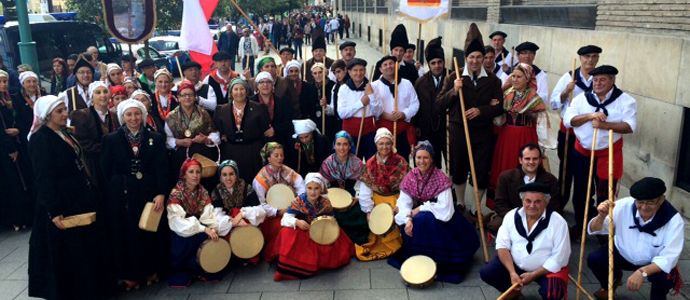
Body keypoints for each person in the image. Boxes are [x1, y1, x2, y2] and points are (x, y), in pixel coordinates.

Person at [28, 95, 110, 299]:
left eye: (65, 109)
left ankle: (91, 287)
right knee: (69, 249)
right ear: (47, 115)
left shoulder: (63, 132)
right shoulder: (41, 139)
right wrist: (54, 210)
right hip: (62, 199)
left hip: (79, 195)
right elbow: (43, 177)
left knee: (86, 245)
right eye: (59, 111)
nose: (65, 114)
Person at [389, 141, 479, 283]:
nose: (421, 161)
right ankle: (419, 257)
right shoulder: (410, 177)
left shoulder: (440, 178)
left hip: (443, 220)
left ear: (432, 159)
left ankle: (437, 259)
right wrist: (408, 220)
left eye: (425, 157)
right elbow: (403, 203)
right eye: (418, 158)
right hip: (418, 218)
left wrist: (420, 209)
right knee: (417, 221)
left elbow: (446, 209)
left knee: (424, 219)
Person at [436, 24, 503, 214]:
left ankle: (475, 207)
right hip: (458, 130)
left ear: (484, 59)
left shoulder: (492, 80)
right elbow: (440, 103)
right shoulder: (453, 78)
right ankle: (460, 203)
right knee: (458, 167)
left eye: (479, 57)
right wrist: (454, 91)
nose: (475, 61)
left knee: (481, 170)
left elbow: (499, 106)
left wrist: (482, 110)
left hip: (482, 132)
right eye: (471, 57)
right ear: (465, 58)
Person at [101, 99, 168, 290]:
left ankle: (151, 270)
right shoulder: (111, 139)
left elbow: (162, 167)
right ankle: (129, 275)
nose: (133, 118)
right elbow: (106, 170)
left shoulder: (155, 137)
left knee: (149, 231)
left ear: (143, 115)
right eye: (129, 114)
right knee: (125, 234)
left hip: (148, 192)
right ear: (122, 116)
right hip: (122, 193)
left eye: (137, 114)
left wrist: (161, 192)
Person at [564, 64, 637, 238]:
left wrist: (605, 125)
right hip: (582, 152)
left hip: (608, 154)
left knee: (606, 195)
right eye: (595, 80)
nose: (597, 83)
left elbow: (629, 126)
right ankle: (582, 224)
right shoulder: (582, 99)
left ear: (612, 80)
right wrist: (590, 116)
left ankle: (603, 231)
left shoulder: (625, 100)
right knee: (581, 191)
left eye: (602, 79)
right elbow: (569, 121)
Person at [586, 177, 684, 300]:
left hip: (652, 261)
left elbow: (669, 257)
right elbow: (595, 229)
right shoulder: (624, 205)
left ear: (661, 200)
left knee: (665, 277)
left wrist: (642, 272)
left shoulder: (674, 221)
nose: (644, 207)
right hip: (622, 252)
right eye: (640, 202)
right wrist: (601, 216)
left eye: (650, 202)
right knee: (594, 259)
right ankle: (611, 283)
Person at [480, 182, 571, 300]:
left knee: (554, 292)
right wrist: (512, 273)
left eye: (537, 202)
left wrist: (533, 275)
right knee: (487, 272)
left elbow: (560, 258)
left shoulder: (559, 222)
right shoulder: (511, 216)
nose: (532, 206)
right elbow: (502, 246)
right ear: (522, 200)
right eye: (528, 201)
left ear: (546, 202)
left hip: (544, 269)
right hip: (516, 265)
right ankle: (513, 292)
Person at [489, 63, 555, 214]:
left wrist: (542, 145)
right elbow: (498, 119)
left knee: (524, 167)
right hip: (506, 138)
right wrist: (494, 106)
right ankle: (502, 206)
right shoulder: (507, 95)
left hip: (526, 137)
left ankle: (526, 204)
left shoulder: (534, 98)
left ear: (527, 79)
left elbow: (541, 124)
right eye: (513, 76)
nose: (515, 79)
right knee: (505, 167)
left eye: (519, 77)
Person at [268, 172, 354, 280]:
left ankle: (314, 262)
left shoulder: (325, 202)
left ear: (321, 188)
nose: (312, 192)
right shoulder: (299, 201)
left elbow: (332, 221)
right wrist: (296, 222)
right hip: (303, 230)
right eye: (309, 188)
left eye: (316, 188)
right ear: (305, 188)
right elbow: (285, 219)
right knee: (286, 233)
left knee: (332, 244)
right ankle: (295, 265)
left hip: (320, 230)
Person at [550, 45, 601, 215]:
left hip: (588, 135)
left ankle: (583, 212)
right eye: (587, 56)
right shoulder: (568, 76)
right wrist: (566, 91)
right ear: (580, 58)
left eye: (594, 56)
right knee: (566, 171)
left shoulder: (599, 80)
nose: (591, 60)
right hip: (569, 134)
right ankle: (559, 207)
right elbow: (554, 104)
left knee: (585, 176)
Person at [356, 128, 409, 261]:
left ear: (392, 144)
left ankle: (396, 243)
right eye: (381, 143)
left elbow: (407, 188)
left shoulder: (401, 162)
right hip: (377, 200)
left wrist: (399, 206)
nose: (385, 147)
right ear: (376, 145)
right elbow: (365, 188)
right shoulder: (370, 164)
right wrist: (368, 210)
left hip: (396, 199)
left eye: (387, 143)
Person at [167, 159, 221, 287]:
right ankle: (184, 271)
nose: (195, 175)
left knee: (208, 238)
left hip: (199, 227)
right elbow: (176, 222)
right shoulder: (177, 193)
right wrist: (201, 228)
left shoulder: (202, 191)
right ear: (184, 174)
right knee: (185, 241)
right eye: (191, 172)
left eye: (198, 172)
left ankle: (201, 269)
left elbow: (208, 214)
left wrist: (211, 228)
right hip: (182, 230)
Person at [489, 143, 559, 236]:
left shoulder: (550, 179)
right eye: (527, 159)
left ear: (539, 161)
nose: (531, 162)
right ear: (520, 160)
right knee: (495, 226)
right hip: (514, 216)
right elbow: (500, 204)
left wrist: (535, 218)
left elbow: (555, 206)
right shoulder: (506, 177)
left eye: (535, 159)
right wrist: (519, 217)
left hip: (540, 217)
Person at [253, 142, 306, 261]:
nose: (280, 158)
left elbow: (300, 183)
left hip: (289, 209)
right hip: (271, 216)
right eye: (276, 155)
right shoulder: (261, 178)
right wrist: (277, 211)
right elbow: (260, 204)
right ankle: (284, 255)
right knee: (287, 229)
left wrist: (296, 201)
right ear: (268, 157)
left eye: (281, 155)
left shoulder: (286, 171)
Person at [165, 81, 220, 191]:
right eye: (184, 95)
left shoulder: (203, 113)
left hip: (203, 156)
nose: (187, 98)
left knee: (205, 185)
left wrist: (206, 139)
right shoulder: (171, 117)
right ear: (178, 98)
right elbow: (167, 139)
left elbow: (215, 133)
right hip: (181, 157)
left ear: (195, 97)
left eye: (190, 95)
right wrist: (180, 142)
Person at [215, 78, 271, 184]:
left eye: (242, 89)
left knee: (253, 181)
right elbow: (218, 128)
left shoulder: (258, 108)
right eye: (235, 89)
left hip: (253, 152)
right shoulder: (222, 110)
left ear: (246, 91)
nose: (239, 92)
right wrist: (223, 135)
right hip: (231, 151)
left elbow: (266, 131)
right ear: (231, 92)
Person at [319, 130, 368, 245]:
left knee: (359, 213)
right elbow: (323, 184)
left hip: (352, 194)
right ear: (334, 146)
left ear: (350, 146)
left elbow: (361, 182)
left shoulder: (357, 163)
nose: (342, 148)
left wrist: (358, 197)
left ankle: (356, 241)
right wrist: (327, 199)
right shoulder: (328, 163)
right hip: (333, 195)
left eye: (345, 144)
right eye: (339, 144)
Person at [1, 70, 35, 231]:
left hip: (19, 143)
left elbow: (20, 120)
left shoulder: (10, 99)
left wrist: (18, 130)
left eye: (5, 81)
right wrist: (10, 148)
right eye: (0, 82)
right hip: (7, 148)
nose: (3, 84)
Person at [70, 81, 118, 192]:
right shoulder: (82, 115)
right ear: (92, 95)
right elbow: (81, 141)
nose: (103, 95)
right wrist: (105, 149)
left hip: (112, 163)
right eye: (98, 92)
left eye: (105, 91)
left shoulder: (114, 115)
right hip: (93, 164)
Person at [372, 55, 419, 161]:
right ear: (380, 69)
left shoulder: (406, 84)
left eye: (391, 63)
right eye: (385, 65)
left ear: (397, 66)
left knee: (402, 161)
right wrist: (385, 115)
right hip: (383, 133)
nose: (388, 66)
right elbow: (372, 108)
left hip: (402, 130)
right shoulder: (374, 86)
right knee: (384, 163)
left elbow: (415, 104)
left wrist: (403, 114)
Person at [212, 160, 266, 250]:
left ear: (236, 174)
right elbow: (217, 216)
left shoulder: (246, 188)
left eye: (231, 174)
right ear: (220, 177)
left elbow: (260, 210)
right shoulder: (216, 192)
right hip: (229, 227)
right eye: (224, 175)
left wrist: (242, 215)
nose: (228, 178)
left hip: (247, 224)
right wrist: (233, 222)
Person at [412, 37, 447, 169]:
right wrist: (416, 126)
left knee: (452, 162)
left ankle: (451, 187)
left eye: (439, 62)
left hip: (447, 129)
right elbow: (416, 105)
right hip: (428, 129)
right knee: (432, 162)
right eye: (433, 63)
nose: (437, 66)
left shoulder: (452, 79)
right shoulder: (420, 83)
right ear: (429, 64)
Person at [337, 59, 381, 161]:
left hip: (369, 132)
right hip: (350, 133)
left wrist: (371, 95)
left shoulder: (372, 87)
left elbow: (378, 113)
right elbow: (342, 113)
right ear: (349, 72)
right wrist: (360, 103)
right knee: (352, 163)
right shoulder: (344, 88)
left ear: (365, 71)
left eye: (361, 70)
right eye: (355, 70)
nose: (358, 73)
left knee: (372, 162)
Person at [249, 71, 294, 150]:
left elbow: (289, 123)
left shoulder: (283, 101)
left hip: (279, 142)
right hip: (258, 143)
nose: (265, 85)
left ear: (272, 84)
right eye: (262, 82)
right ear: (257, 85)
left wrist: (275, 129)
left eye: (268, 82)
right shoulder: (250, 102)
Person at [309, 63, 338, 140]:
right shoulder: (310, 86)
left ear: (325, 73)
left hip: (329, 120)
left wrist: (326, 105)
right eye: (315, 73)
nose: (318, 75)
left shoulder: (332, 85)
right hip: (315, 119)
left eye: (320, 72)